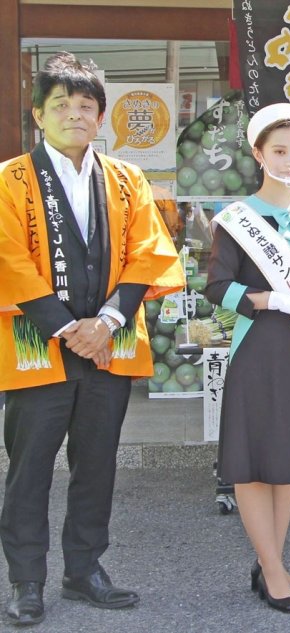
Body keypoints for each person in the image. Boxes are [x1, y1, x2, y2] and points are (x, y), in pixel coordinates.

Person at [0, 52, 184, 626]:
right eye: (61, 105)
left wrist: (104, 323)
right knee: (29, 467)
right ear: (39, 115)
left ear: (100, 118)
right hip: (37, 343)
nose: (74, 115)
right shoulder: (10, 179)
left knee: (98, 461)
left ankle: (84, 569)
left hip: (110, 343)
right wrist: (65, 327)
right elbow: (9, 259)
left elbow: (148, 253)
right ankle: (27, 578)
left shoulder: (127, 179)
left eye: (85, 106)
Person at [204, 102, 290, 614]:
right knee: (254, 461)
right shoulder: (237, 219)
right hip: (259, 348)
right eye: (279, 151)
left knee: (289, 461)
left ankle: (274, 562)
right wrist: (275, 300)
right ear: (258, 154)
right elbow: (216, 288)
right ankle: (270, 568)